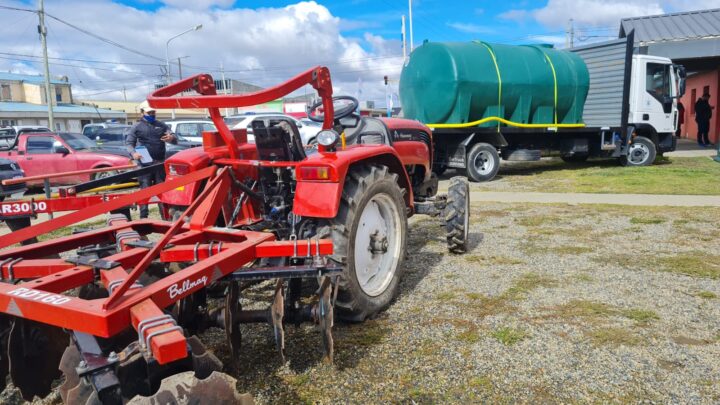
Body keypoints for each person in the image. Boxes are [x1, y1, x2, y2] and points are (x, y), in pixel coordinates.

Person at [126, 106, 176, 218]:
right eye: (149, 112)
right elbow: (129, 143)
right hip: (144, 166)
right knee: (145, 192)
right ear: (142, 113)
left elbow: (174, 137)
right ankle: (143, 218)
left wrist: (171, 138)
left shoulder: (161, 125)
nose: (152, 114)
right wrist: (134, 154)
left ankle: (165, 217)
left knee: (162, 191)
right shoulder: (136, 127)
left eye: (153, 112)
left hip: (159, 164)